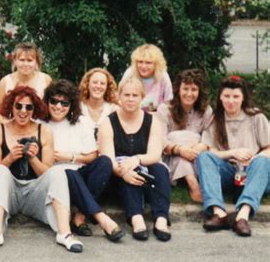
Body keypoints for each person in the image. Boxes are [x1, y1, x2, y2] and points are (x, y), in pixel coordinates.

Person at [0, 86, 83, 254]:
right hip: (10, 194)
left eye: (29, 107)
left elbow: (46, 172)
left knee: (57, 172)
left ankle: (65, 233)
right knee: (0, 171)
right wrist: (10, 158)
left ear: (35, 109)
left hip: (35, 193)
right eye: (18, 106)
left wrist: (33, 158)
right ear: (11, 106)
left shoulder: (44, 131)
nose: (23, 111)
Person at [43, 80, 124, 242]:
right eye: (54, 101)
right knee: (68, 173)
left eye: (64, 103)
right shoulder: (40, 123)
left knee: (104, 162)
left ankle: (80, 214)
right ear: (47, 101)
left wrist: (69, 157)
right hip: (56, 180)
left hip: (81, 174)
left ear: (71, 105)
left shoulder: (81, 122)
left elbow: (92, 155)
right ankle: (101, 218)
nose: (58, 106)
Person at [99, 77, 172, 242]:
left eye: (135, 95)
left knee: (159, 169)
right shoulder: (108, 122)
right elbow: (107, 159)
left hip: (144, 169)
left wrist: (137, 159)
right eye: (126, 95)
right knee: (127, 170)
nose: (130, 99)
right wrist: (123, 171)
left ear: (142, 97)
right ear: (119, 96)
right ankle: (136, 218)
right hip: (116, 176)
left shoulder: (152, 121)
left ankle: (161, 219)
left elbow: (155, 154)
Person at [196, 75, 270, 237]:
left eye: (236, 96)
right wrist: (232, 153)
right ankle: (219, 213)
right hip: (229, 171)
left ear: (243, 98)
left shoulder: (256, 117)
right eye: (227, 96)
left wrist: (256, 158)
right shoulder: (215, 119)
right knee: (204, 157)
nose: (231, 101)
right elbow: (210, 150)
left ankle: (242, 215)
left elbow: (269, 148)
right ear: (221, 97)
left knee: (264, 161)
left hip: (252, 172)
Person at [157, 69, 213, 202]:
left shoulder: (206, 110)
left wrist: (201, 145)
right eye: (185, 89)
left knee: (193, 139)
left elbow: (209, 137)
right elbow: (160, 139)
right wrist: (180, 149)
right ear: (178, 90)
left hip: (196, 157)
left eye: (194, 89)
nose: (189, 93)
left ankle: (191, 180)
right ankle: (193, 184)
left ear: (199, 92)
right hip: (170, 157)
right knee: (176, 137)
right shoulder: (165, 109)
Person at [0, 42, 52, 124]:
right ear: (15, 61)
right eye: (22, 60)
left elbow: (52, 109)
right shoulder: (5, 82)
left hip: (40, 127)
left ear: (36, 62)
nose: (25, 64)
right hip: (13, 127)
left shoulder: (46, 80)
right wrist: (10, 126)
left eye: (29, 60)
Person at [121, 44, 173, 112]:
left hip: (157, 116)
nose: (143, 66)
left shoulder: (163, 76)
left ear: (156, 64)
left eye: (148, 63)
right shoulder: (130, 73)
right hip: (132, 115)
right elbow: (120, 97)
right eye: (140, 62)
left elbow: (169, 101)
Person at [79, 68, 119, 141]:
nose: (98, 86)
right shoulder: (78, 108)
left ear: (107, 87)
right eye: (95, 82)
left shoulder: (114, 110)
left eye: (102, 83)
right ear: (87, 84)